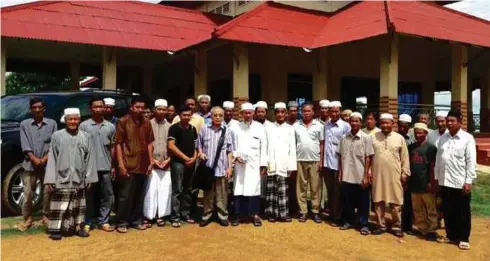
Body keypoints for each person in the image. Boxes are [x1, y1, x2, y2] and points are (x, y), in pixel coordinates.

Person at [44, 108, 98, 240]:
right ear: (65, 120)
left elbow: (90, 158)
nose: (73, 122)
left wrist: (89, 178)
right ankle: (56, 230)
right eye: (70, 119)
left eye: (75, 119)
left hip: (79, 177)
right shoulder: (57, 136)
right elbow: (52, 158)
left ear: (79, 120)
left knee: (78, 206)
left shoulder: (86, 137)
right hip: (62, 177)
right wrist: (50, 179)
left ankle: (77, 228)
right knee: (60, 205)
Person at [435, 110, 476, 250]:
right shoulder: (442, 138)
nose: (449, 123)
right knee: (448, 210)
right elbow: (438, 159)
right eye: (448, 120)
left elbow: (471, 161)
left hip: (460, 182)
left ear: (460, 121)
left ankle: (464, 238)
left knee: (463, 211)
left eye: (452, 121)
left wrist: (468, 181)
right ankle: (451, 235)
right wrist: (437, 178)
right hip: (444, 181)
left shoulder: (468, 138)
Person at [114, 97, 155, 233]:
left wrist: (150, 162)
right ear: (131, 107)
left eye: (142, 107)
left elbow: (150, 143)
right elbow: (118, 143)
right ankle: (122, 221)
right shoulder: (123, 121)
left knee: (139, 194)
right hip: (128, 163)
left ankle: (136, 220)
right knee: (125, 194)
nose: (140, 110)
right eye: (137, 107)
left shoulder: (147, 122)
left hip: (143, 163)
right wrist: (120, 164)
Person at [18, 97, 57, 231]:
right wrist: (33, 157)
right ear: (30, 109)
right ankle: (27, 217)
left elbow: (54, 143)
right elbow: (24, 143)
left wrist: (45, 158)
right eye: (34, 107)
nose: (37, 110)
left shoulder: (52, 124)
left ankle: (45, 215)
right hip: (30, 163)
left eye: (39, 107)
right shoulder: (24, 124)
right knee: (28, 192)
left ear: (43, 109)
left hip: (47, 164)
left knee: (48, 191)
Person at [79, 98, 116, 234]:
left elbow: (113, 147)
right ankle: (87, 221)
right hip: (89, 168)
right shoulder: (84, 126)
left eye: (101, 107)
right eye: (96, 107)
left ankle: (104, 221)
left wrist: (114, 165)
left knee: (107, 195)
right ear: (90, 108)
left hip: (105, 167)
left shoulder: (110, 127)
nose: (99, 109)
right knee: (88, 196)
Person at [371, 113, 410, 238]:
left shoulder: (399, 138)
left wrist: (405, 172)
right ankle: (380, 225)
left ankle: (397, 226)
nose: (385, 125)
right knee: (378, 200)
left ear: (393, 124)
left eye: (388, 123)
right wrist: (368, 172)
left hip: (395, 175)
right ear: (379, 124)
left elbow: (405, 157)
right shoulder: (373, 137)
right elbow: (368, 156)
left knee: (396, 201)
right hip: (377, 174)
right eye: (383, 123)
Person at [197, 107, 234, 227]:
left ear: (223, 116)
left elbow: (229, 150)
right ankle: (206, 215)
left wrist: (229, 168)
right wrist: (200, 153)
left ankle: (222, 216)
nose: (217, 117)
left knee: (222, 194)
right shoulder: (204, 128)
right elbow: (199, 144)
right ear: (211, 116)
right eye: (215, 115)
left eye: (220, 115)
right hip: (208, 168)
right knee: (208, 193)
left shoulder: (227, 130)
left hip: (222, 167)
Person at [232, 102, 267, 227]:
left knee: (254, 188)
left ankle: (255, 215)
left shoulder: (260, 127)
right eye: (245, 113)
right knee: (238, 188)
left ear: (253, 113)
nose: (247, 115)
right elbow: (232, 145)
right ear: (241, 114)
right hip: (240, 164)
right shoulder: (235, 127)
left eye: (250, 113)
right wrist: (236, 156)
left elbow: (264, 146)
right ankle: (237, 215)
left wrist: (263, 164)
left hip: (254, 164)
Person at [338, 112, 373, 235]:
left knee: (363, 202)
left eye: (357, 121)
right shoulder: (344, 138)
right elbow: (341, 156)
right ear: (349, 122)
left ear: (361, 123)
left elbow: (369, 157)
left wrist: (365, 176)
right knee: (348, 201)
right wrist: (340, 173)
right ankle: (349, 221)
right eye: (352, 121)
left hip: (360, 175)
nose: (354, 123)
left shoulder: (366, 138)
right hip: (347, 174)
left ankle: (364, 224)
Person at [264, 102, 297, 223]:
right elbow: (265, 146)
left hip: (284, 163)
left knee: (283, 190)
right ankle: (271, 213)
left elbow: (292, 148)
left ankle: (283, 214)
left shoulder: (290, 129)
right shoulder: (268, 128)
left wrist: (291, 166)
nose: (280, 114)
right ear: (275, 114)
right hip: (271, 162)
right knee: (271, 190)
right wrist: (264, 163)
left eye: (282, 112)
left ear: (286, 114)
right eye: (278, 112)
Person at [143, 99, 172, 228]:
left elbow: (173, 146)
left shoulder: (170, 126)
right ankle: (148, 216)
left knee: (164, 190)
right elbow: (144, 144)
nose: (161, 111)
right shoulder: (147, 124)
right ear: (154, 110)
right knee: (150, 190)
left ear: (166, 111)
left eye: (163, 109)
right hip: (151, 163)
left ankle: (161, 216)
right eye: (159, 109)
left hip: (166, 163)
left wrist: (168, 160)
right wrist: (152, 160)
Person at [168, 106, 198, 228]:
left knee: (188, 189)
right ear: (179, 115)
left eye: (188, 115)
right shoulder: (174, 128)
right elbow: (171, 146)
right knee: (177, 190)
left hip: (191, 163)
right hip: (178, 163)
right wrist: (185, 158)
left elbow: (197, 146)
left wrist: (194, 158)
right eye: (184, 115)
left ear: (191, 116)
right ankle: (175, 217)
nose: (186, 117)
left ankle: (185, 214)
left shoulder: (193, 128)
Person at [294, 102, 324, 223]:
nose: (306, 113)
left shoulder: (319, 126)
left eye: (308, 111)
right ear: (302, 112)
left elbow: (322, 144)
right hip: (300, 160)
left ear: (313, 112)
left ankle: (316, 211)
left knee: (315, 187)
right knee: (301, 187)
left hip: (315, 160)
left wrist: (321, 160)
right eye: (304, 111)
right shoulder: (296, 125)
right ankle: (303, 211)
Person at [408, 123, 438, 240]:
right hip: (414, 183)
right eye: (416, 133)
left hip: (426, 183)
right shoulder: (411, 147)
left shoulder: (431, 148)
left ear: (426, 133)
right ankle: (422, 229)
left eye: (421, 132)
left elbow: (433, 166)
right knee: (417, 208)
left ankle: (432, 230)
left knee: (430, 208)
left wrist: (432, 182)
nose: (418, 135)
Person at [323, 101, 350, 225]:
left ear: (340, 111)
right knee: (330, 190)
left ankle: (339, 217)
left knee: (338, 191)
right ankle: (332, 214)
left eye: (336, 111)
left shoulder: (345, 126)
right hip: (327, 164)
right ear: (328, 112)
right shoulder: (326, 125)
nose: (334, 113)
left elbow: (347, 147)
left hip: (338, 163)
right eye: (332, 111)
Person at [427, 110, 448, 228]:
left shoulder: (451, 134)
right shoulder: (432, 134)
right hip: (434, 169)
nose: (440, 123)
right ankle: (437, 219)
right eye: (438, 121)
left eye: (442, 121)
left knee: (446, 196)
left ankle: (446, 218)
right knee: (436, 195)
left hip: (448, 170)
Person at [254, 101, 274, 210]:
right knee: (255, 185)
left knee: (266, 185)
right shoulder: (252, 125)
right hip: (254, 160)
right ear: (255, 113)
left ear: (266, 113)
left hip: (267, 159)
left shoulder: (271, 126)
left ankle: (265, 208)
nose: (261, 114)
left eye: (263, 112)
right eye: (259, 112)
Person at [398, 113, 414, 234]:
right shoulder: (395, 137)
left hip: (410, 171)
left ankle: (407, 225)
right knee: (398, 199)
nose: (402, 128)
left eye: (405, 126)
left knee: (408, 199)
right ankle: (398, 222)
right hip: (397, 172)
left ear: (409, 126)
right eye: (400, 125)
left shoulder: (413, 139)